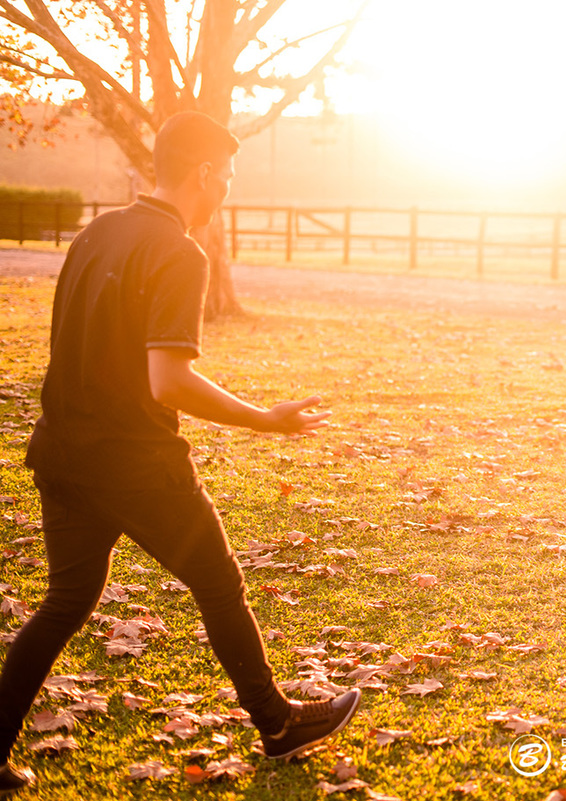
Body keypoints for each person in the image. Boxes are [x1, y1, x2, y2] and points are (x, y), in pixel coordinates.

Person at [0, 111, 360, 795]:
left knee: (65, 601)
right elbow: (167, 379)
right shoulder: (178, 250)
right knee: (220, 584)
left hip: (62, 451)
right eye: (225, 174)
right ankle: (279, 723)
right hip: (133, 459)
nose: (226, 185)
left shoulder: (95, 233)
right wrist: (264, 419)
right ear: (203, 174)